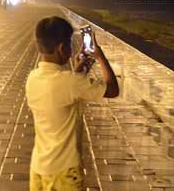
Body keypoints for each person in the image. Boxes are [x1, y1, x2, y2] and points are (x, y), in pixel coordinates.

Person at [27, 16, 119, 191]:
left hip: (39, 167)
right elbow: (113, 90)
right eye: (69, 44)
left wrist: (77, 73)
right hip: (64, 171)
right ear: (61, 48)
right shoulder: (71, 82)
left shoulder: (32, 78)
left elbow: (62, 92)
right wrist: (100, 57)